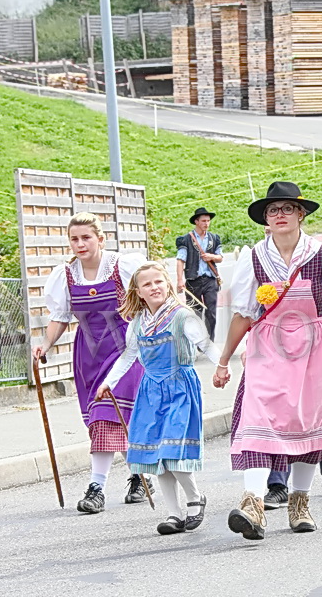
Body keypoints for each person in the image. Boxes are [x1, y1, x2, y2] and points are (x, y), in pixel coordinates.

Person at [213, 181, 322, 541]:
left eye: (286, 208)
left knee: (307, 422)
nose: (279, 215)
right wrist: (223, 360)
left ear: (301, 213)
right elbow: (243, 314)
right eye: (273, 210)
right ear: (265, 220)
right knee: (257, 415)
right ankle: (252, 501)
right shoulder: (253, 258)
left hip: (315, 346)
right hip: (268, 345)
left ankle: (299, 501)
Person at [97, 262, 221, 535]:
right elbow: (128, 356)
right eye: (147, 284)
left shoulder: (183, 316)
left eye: (158, 282)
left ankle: (194, 497)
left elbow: (206, 345)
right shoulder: (138, 323)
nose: (154, 287)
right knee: (155, 455)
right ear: (138, 292)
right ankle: (174, 514)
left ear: (168, 284)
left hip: (180, 386)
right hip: (151, 390)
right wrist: (109, 383)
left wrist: (223, 367)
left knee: (171, 450)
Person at [36, 212, 148, 514]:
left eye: (86, 237)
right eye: (74, 239)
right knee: (112, 421)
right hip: (88, 355)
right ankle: (139, 475)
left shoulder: (123, 267)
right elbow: (59, 318)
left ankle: (96, 488)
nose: (80, 244)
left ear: (101, 238)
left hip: (125, 350)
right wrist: (45, 344)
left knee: (106, 415)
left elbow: (151, 299)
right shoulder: (65, 275)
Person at [263, 295, 322, 510]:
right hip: (280, 345)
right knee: (282, 416)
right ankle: (277, 485)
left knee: (321, 414)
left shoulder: (321, 262)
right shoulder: (271, 266)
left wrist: (315, 327)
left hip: (319, 345)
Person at [176, 207, 223, 341]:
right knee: (194, 313)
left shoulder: (214, 239)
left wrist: (211, 256)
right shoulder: (185, 240)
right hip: (193, 280)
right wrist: (180, 280)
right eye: (203, 221)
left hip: (210, 280)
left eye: (208, 221)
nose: (206, 223)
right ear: (196, 222)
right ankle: (196, 340)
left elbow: (220, 257)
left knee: (211, 312)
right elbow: (180, 260)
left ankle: (210, 341)